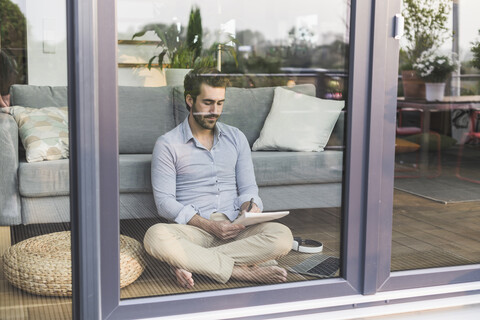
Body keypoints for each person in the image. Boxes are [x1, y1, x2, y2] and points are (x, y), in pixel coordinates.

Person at [144, 68, 293, 289]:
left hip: (236, 228)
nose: (215, 111)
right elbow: (165, 203)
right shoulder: (167, 144)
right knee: (155, 236)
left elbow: (249, 188)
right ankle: (242, 272)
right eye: (208, 103)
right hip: (194, 232)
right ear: (190, 100)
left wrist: (249, 208)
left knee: (282, 236)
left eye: (220, 103)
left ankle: (192, 262)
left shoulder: (236, 137)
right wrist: (208, 225)